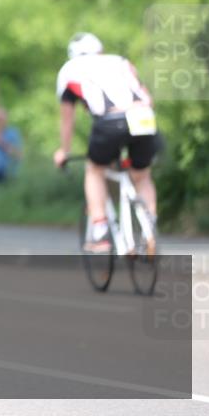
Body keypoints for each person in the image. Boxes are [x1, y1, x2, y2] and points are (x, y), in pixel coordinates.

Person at [52, 32, 159, 252]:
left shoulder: (69, 69)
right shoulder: (120, 61)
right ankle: (149, 225)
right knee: (142, 175)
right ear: (99, 49)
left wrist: (64, 150)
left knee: (94, 170)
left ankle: (100, 230)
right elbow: (145, 95)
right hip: (144, 116)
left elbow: (67, 119)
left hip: (111, 120)